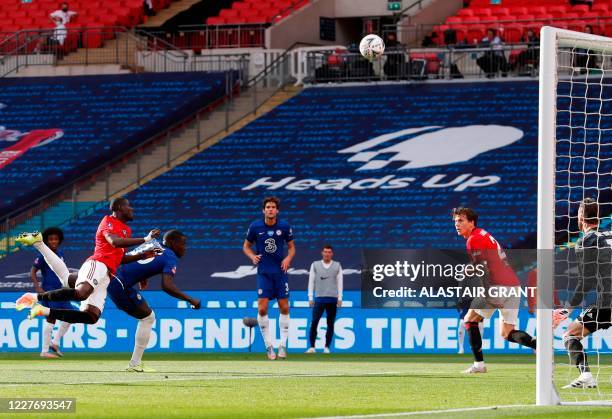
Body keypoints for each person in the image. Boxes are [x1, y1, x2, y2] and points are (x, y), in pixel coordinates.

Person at [15, 197, 160, 325]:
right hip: (98, 264)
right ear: (120, 208)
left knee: (91, 316)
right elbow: (115, 242)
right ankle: (33, 297)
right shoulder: (108, 221)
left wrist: (141, 255)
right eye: (129, 205)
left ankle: (43, 310)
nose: (132, 208)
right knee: (81, 292)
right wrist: (146, 239)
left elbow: (120, 258)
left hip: (107, 274)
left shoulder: (126, 230)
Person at [453, 207, 537, 373]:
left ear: (472, 222)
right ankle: (538, 344)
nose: (457, 224)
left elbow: (483, 268)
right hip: (513, 286)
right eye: (455, 221)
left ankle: (479, 365)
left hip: (497, 286)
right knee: (507, 333)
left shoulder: (473, 240)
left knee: (470, 320)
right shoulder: (483, 234)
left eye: (461, 220)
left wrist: (483, 292)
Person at [107, 230, 201, 372]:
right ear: (172, 243)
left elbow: (136, 259)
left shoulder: (152, 244)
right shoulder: (170, 257)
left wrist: (142, 277)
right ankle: (134, 364)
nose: (185, 248)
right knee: (147, 318)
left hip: (111, 274)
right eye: (183, 244)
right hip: (119, 284)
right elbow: (167, 286)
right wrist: (191, 300)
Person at [553, 198, 612, 389]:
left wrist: (567, 309)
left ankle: (586, 376)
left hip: (608, 300)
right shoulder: (609, 235)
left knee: (571, 334)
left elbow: (586, 281)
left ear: (580, 217)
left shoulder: (586, 241)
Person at [243, 196, 295, 360]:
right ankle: (268, 346)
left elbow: (292, 248)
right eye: (268, 207)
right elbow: (246, 246)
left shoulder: (284, 226)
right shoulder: (255, 226)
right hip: (264, 272)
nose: (271, 209)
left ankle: (283, 345)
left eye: (273, 207)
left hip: (280, 273)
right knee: (262, 309)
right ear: (263, 210)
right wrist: (252, 256)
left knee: (284, 307)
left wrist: (287, 258)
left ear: (277, 210)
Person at [30, 227, 71, 359]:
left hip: (62, 291)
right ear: (46, 242)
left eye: (56, 239)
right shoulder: (43, 255)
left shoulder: (60, 255)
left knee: (72, 317)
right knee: (51, 319)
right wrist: (37, 287)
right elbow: (32, 271)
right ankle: (44, 350)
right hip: (50, 291)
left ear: (59, 241)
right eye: (51, 239)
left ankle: (55, 342)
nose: (53, 241)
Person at [306, 245, 343, 354]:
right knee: (314, 322)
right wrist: (310, 297)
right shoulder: (315, 265)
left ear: (332, 254)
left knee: (330, 324)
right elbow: (311, 281)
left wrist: (340, 298)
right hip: (319, 299)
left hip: (332, 299)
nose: (327, 254)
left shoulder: (337, 266)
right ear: (322, 253)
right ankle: (312, 347)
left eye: (329, 252)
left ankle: (327, 347)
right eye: (325, 252)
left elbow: (340, 282)